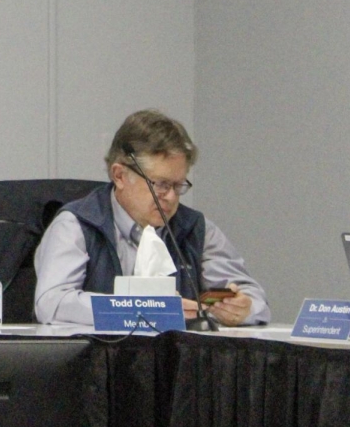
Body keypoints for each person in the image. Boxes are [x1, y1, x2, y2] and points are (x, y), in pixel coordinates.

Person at [34, 109, 269, 326]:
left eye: (178, 186)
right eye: (160, 184)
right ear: (120, 175)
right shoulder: (77, 225)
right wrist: (141, 309)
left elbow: (256, 300)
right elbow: (51, 303)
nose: (169, 197)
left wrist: (243, 309)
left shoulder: (197, 229)